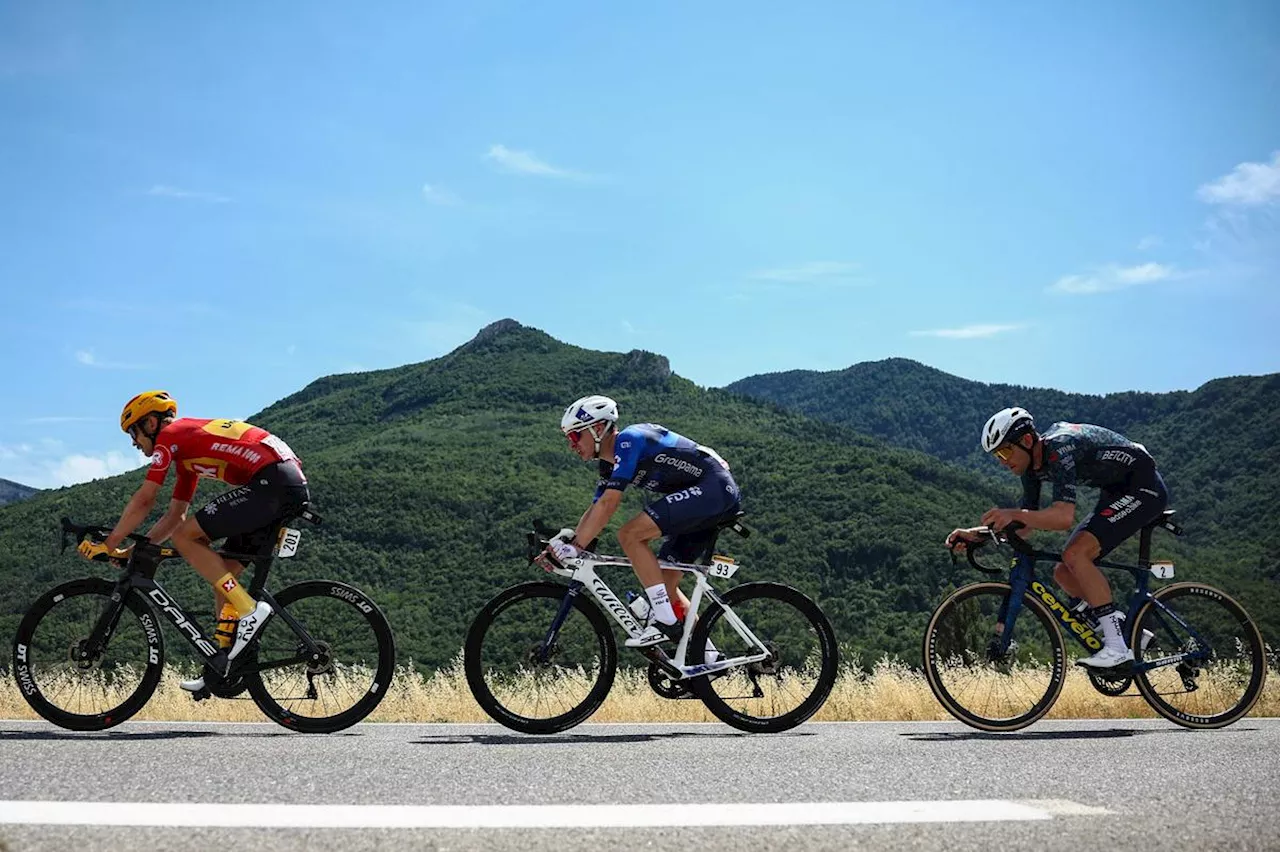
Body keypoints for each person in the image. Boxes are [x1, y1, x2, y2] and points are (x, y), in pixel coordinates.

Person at [79, 390, 310, 691]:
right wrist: (132, 551)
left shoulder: (170, 435)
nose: (133, 442)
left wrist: (108, 543)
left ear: (150, 423)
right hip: (280, 483)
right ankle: (223, 664)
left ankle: (249, 610)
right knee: (223, 573)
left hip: (272, 482)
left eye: (133, 432)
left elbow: (145, 500)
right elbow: (175, 514)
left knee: (186, 538)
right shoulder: (186, 455)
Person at [946, 407, 1169, 669]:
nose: (1002, 461)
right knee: (1063, 571)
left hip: (1144, 487)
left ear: (1027, 441)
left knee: (1076, 554)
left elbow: (1063, 518)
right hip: (1115, 491)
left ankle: (1117, 647)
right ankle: (1124, 630)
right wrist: (979, 535)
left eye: (1005, 451)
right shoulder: (1031, 467)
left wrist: (1012, 513)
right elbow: (1024, 524)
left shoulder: (1060, 448)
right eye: (997, 455)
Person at [548, 395, 742, 647]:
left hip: (713, 487)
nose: (572, 445)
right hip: (704, 498)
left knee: (630, 535)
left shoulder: (629, 440)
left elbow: (609, 505)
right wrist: (571, 543)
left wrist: (574, 548)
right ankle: (705, 657)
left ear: (597, 429)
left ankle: (665, 621)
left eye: (575, 436)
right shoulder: (608, 466)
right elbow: (596, 507)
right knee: (665, 581)